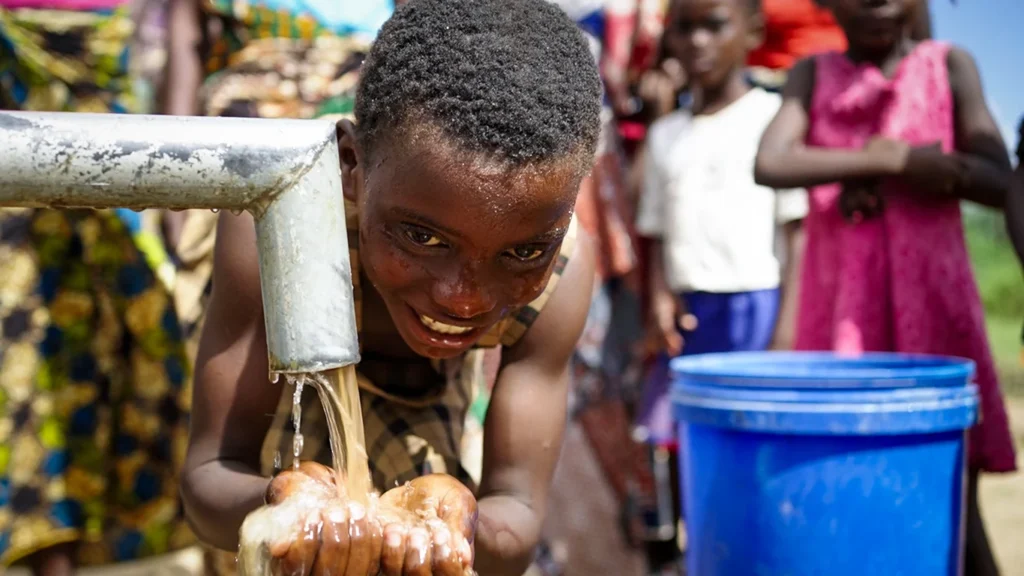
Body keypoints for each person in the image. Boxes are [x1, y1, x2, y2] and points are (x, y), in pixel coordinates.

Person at [182, 1, 602, 575]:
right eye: (422, 238)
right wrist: (287, 514)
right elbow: (210, 475)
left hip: (427, 408)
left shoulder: (563, 272)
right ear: (353, 166)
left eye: (523, 252)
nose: (464, 298)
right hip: (282, 410)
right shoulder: (281, 229)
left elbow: (520, 510)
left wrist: (455, 525)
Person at [754, 0, 1015, 574]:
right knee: (843, 487)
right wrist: (870, 162)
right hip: (845, 315)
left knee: (952, 499)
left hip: (935, 314)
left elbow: (1002, 178)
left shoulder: (950, 66)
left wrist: (917, 167)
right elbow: (770, 161)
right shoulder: (812, 74)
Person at [0, 2, 194, 574]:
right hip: (18, 221)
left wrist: (174, 209)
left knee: (130, 369)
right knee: (29, 381)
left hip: (115, 206)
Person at [633, 0, 808, 572]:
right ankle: (698, 554)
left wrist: (785, 328)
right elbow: (654, 231)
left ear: (753, 32)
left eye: (715, 25)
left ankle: (758, 552)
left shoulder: (771, 118)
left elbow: (796, 231)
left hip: (756, 305)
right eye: (685, 27)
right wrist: (657, 298)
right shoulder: (666, 135)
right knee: (683, 441)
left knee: (754, 443)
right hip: (688, 315)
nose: (699, 41)